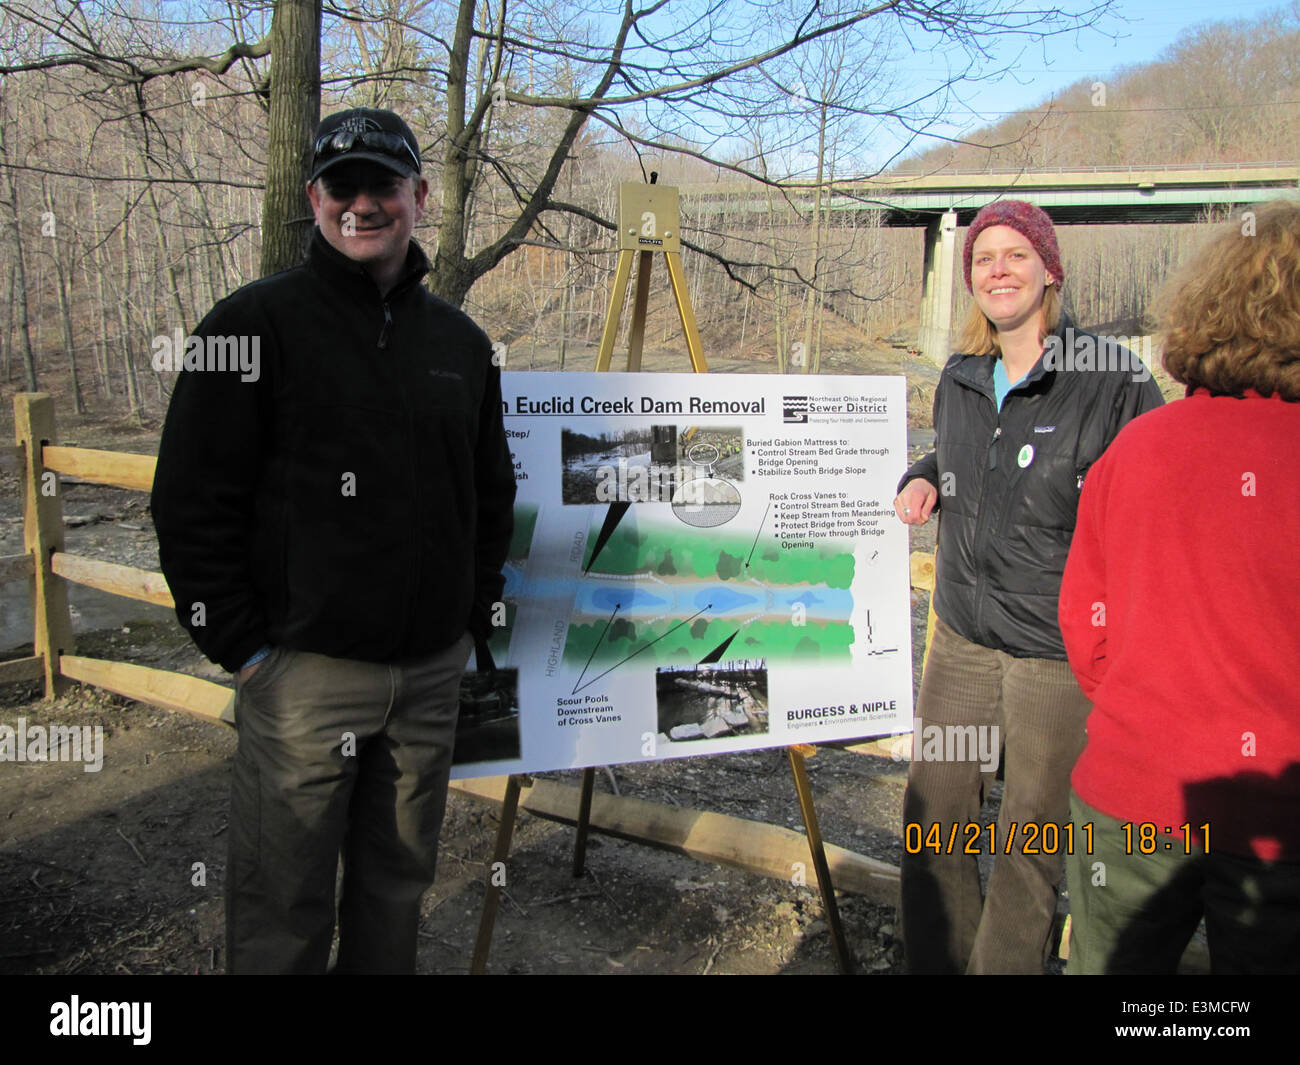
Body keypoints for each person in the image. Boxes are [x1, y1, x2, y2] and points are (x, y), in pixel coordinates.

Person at [151, 107, 516, 974]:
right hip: (302, 680)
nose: (361, 203)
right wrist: (244, 650)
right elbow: (189, 502)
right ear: (313, 198)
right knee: (284, 908)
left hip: (427, 678)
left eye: (381, 183)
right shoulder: (249, 329)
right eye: (340, 184)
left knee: (396, 893)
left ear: (419, 195)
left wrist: (468, 619)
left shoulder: (462, 346)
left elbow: (490, 493)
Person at [892, 200, 1163, 974]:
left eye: (1016, 255)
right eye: (983, 258)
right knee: (934, 823)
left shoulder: (1111, 379)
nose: (998, 269)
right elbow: (954, 453)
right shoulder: (961, 376)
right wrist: (923, 474)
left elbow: (1156, 492)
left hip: (1055, 653)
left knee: (1030, 839)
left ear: (1051, 270)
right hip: (962, 643)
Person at [1058, 201, 1300, 974]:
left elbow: (1086, 627)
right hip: (1277, 816)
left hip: (1129, 790)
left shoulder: (1138, 446)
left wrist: (1146, 711)